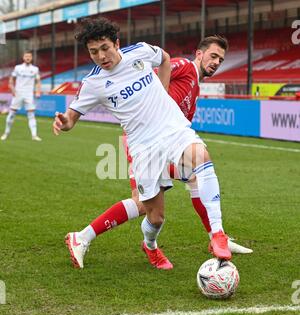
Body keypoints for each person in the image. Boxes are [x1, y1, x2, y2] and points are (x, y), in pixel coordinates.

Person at [53, 17, 243, 270]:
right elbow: (72, 118)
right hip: (142, 147)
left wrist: (162, 92)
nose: (101, 56)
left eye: (105, 48)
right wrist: (64, 122)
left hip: (172, 129)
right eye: (93, 52)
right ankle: (149, 246)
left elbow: (164, 58)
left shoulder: (140, 51)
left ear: (117, 44)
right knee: (154, 215)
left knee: (200, 157)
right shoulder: (93, 84)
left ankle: (218, 234)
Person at [1, 50, 42, 141]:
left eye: (29, 56)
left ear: (31, 58)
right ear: (23, 58)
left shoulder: (35, 69)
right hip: (18, 94)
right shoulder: (18, 68)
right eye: (26, 56)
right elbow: (11, 80)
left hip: (29, 95)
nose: (27, 58)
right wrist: (12, 89)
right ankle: (6, 133)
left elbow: (38, 82)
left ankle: (34, 135)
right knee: (11, 114)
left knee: (31, 115)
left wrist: (38, 91)